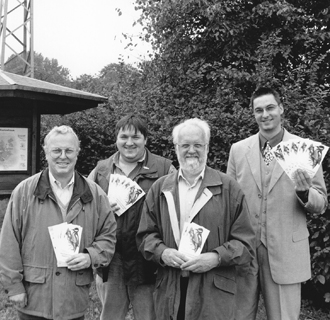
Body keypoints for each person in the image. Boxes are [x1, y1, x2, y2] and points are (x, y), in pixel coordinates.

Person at [136, 118, 255, 320]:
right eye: (185, 145)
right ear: (176, 148)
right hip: (170, 287)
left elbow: (246, 244)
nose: (191, 150)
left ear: (207, 147)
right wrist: (162, 252)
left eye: (198, 145)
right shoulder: (160, 188)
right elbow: (145, 236)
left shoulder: (228, 188)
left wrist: (216, 258)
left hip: (213, 293)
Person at [227, 87, 328, 320]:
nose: (265, 114)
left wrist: (304, 193)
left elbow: (321, 203)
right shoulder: (238, 150)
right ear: (253, 114)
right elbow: (230, 200)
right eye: (258, 110)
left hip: (286, 251)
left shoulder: (306, 149)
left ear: (281, 109)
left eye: (270, 108)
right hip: (246, 250)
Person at [0, 125, 117, 320]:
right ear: (46, 152)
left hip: (73, 300)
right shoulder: (25, 191)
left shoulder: (95, 194)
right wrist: (14, 286)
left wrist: (91, 256)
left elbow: (109, 235)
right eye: (56, 150)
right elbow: (9, 242)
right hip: (34, 298)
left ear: (77, 153)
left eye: (69, 150)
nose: (63, 156)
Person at [88, 115, 175, 320]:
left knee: (149, 316)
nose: (129, 142)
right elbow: (84, 209)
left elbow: (178, 211)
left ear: (145, 139)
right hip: (112, 258)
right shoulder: (101, 170)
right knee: (110, 315)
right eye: (123, 136)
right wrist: (99, 210)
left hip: (148, 260)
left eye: (135, 137)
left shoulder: (165, 169)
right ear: (116, 139)